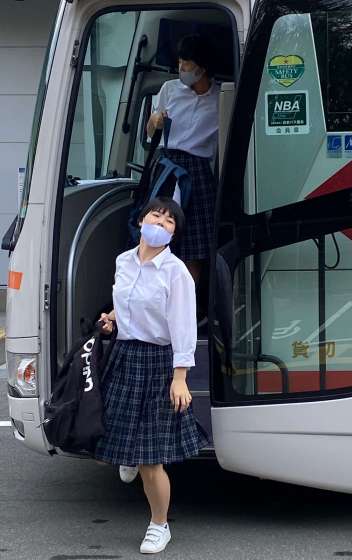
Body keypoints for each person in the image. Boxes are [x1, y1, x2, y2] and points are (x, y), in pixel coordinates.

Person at [95, 196, 208, 554]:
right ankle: (128, 454)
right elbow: (129, 301)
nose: (160, 223)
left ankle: (160, 525)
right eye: (155, 216)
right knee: (117, 428)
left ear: (174, 233)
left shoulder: (176, 272)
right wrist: (113, 318)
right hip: (124, 356)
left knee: (151, 460)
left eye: (169, 221)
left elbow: (183, 326)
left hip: (159, 362)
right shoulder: (123, 261)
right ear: (141, 220)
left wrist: (180, 376)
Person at [146, 34, 219, 294]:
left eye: (186, 64)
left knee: (194, 247)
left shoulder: (221, 97)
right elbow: (150, 133)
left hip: (198, 171)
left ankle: (186, 302)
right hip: (168, 166)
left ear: (202, 68)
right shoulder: (169, 89)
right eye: (179, 63)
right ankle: (157, 300)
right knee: (157, 237)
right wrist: (154, 121)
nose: (181, 69)